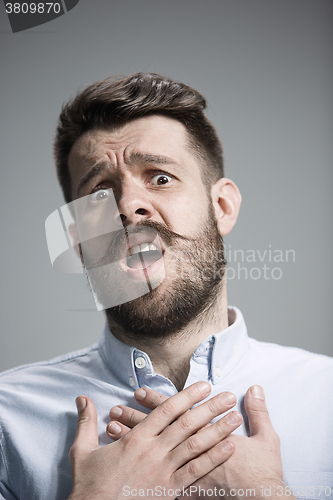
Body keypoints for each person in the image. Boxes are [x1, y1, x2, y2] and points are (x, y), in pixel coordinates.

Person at [0, 73, 332, 500]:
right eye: (99, 192)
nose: (126, 206)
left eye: (159, 177)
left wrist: (269, 493)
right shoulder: (6, 420)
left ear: (222, 207)